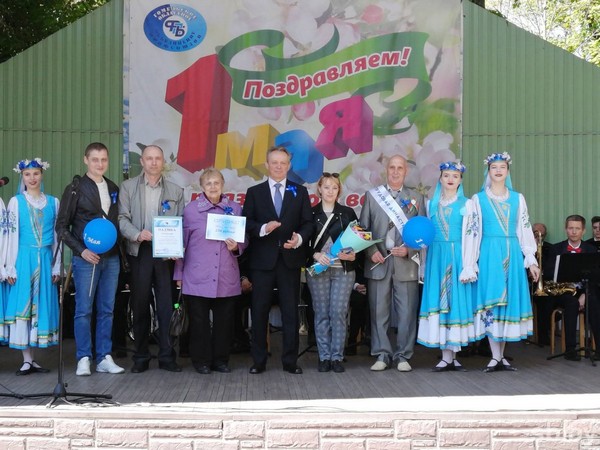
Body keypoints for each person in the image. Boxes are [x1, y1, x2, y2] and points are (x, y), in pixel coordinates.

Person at [464, 152, 540, 372]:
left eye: (502, 167)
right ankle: (495, 355)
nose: (498, 171)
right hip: (489, 252)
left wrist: (531, 259)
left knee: (508, 302)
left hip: (512, 252)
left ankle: (500, 355)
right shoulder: (478, 199)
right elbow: (473, 232)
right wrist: (470, 262)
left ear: (508, 171)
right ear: (488, 171)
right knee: (493, 299)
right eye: (494, 167)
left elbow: (524, 228)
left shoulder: (518, 198)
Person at [242, 146, 313, 375]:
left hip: (290, 260)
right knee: (259, 311)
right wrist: (264, 228)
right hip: (262, 261)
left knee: (290, 312)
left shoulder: (299, 191)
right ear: (267, 164)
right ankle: (259, 361)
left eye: (283, 163)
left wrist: (299, 239)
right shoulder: (254, 192)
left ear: (289, 165)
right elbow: (246, 223)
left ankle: (290, 361)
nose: (279, 166)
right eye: (274, 162)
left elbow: (308, 223)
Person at [55, 142, 125, 376]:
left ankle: (104, 356)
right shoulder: (75, 189)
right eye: (95, 159)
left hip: (111, 257)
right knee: (83, 310)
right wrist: (81, 250)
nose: (99, 164)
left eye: (104, 159)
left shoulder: (113, 188)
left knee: (107, 309)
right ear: (86, 160)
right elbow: (61, 227)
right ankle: (83, 357)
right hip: (86, 258)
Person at [174, 168, 247, 374]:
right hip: (197, 275)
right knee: (199, 323)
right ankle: (201, 361)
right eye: (208, 183)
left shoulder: (235, 208)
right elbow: (181, 244)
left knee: (225, 323)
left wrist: (237, 247)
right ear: (201, 186)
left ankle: (221, 361)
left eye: (216, 183)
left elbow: (244, 240)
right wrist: (178, 274)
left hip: (225, 275)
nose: (213, 187)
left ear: (223, 184)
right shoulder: (190, 210)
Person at [118, 144, 183, 373]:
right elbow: (122, 218)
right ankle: (141, 357)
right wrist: (137, 234)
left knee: (166, 307)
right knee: (140, 305)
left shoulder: (176, 190)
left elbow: (181, 222)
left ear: (163, 162)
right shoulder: (128, 187)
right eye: (149, 158)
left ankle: (167, 356)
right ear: (142, 162)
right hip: (140, 251)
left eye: (158, 158)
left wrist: (177, 246)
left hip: (166, 254)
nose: (154, 162)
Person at [359, 154, 425, 372]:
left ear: (406, 171)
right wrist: (371, 252)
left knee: (407, 313)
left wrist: (409, 249)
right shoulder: (372, 196)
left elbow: (422, 233)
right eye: (392, 167)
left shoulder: (416, 197)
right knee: (379, 312)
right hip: (379, 262)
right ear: (386, 170)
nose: (395, 172)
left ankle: (403, 355)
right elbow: (363, 229)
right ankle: (382, 354)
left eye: (400, 168)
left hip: (405, 263)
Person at [417, 161, 477, 372]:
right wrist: (423, 264)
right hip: (436, 257)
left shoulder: (468, 204)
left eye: (455, 176)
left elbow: (472, 234)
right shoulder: (430, 204)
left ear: (460, 180)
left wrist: (468, 264)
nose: (450, 179)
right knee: (440, 300)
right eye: (446, 175)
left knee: (454, 302)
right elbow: (425, 235)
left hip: (457, 255)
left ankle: (454, 355)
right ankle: (445, 356)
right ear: (440, 179)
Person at [3, 158, 60, 375]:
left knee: (41, 305)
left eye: (36, 173)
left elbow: (57, 237)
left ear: (42, 175)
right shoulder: (16, 202)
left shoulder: (53, 202)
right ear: (22, 177)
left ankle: (33, 359)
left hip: (45, 259)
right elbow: (11, 236)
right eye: (27, 174)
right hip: (24, 259)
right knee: (25, 306)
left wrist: (57, 265)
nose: (32, 178)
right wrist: (9, 266)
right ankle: (26, 359)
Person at [306, 172, 358, 373]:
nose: (330, 191)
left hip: (343, 271)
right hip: (318, 270)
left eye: (334, 187)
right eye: (326, 187)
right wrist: (315, 254)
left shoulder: (348, 213)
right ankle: (324, 356)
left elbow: (358, 240)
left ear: (339, 191)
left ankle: (337, 356)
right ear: (319, 189)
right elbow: (301, 244)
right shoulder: (310, 213)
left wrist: (353, 255)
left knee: (338, 312)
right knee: (321, 313)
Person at [540, 215, 596, 361]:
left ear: (583, 231)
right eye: (571, 228)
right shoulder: (556, 248)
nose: (574, 232)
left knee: (595, 301)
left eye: (577, 228)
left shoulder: (590, 249)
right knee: (572, 303)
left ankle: (597, 349)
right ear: (566, 229)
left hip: (583, 290)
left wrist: (585, 295)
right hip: (563, 291)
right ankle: (570, 350)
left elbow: (595, 276)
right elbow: (549, 273)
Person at [531, 222, 555, 346]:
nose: (538, 236)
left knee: (545, 302)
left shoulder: (550, 248)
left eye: (541, 234)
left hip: (544, 283)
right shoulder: (524, 248)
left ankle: (543, 335)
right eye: (535, 233)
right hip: (528, 283)